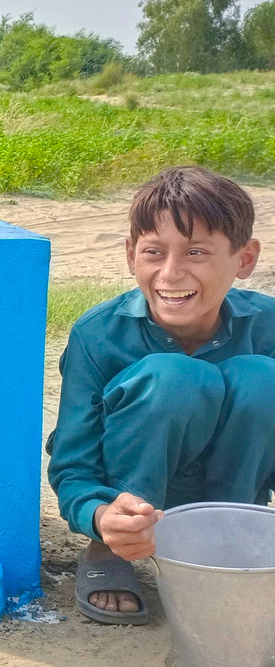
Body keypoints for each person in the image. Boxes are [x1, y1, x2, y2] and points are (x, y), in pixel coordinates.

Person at [47, 166, 275, 625]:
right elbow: (73, 461)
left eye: (196, 252)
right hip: (132, 503)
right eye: (153, 251)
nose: (171, 273)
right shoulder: (98, 335)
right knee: (173, 378)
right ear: (131, 254)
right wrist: (101, 516)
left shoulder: (268, 325)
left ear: (244, 259)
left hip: (233, 498)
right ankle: (110, 550)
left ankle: (226, 544)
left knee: (260, 378)